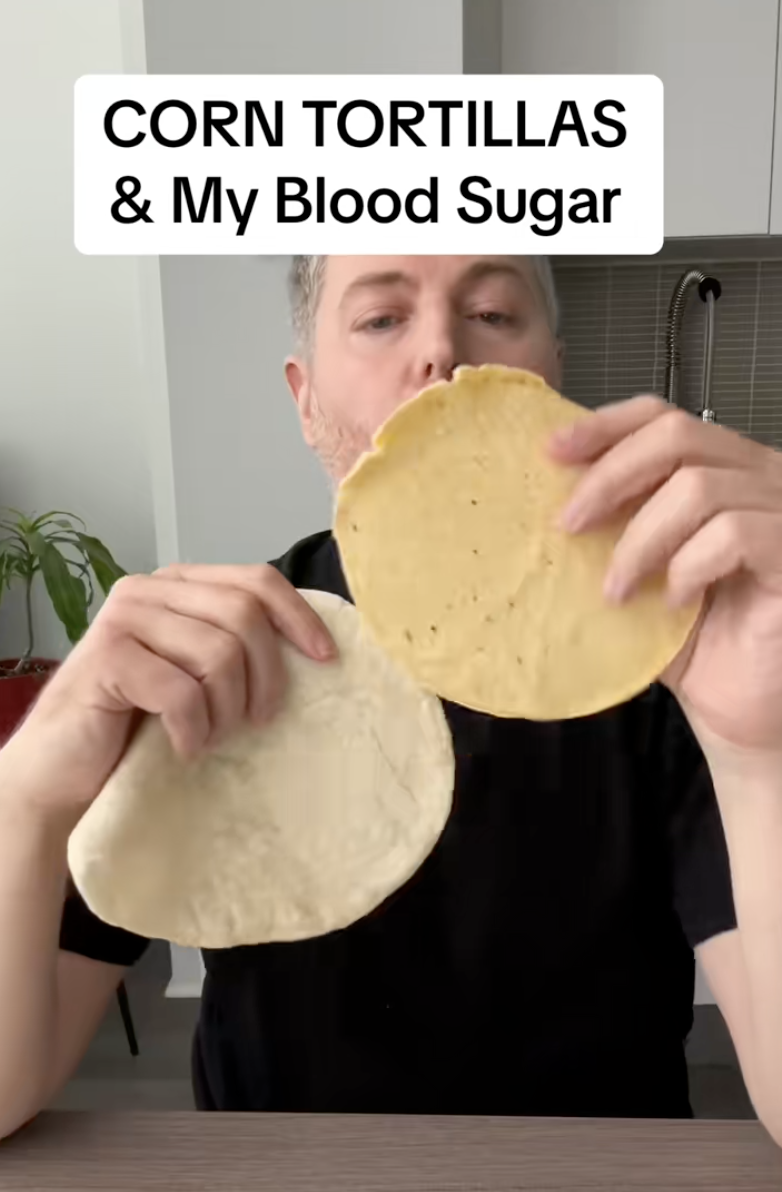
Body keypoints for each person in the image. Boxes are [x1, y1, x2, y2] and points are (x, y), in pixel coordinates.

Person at [1, 254, 782, 1143]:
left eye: (491, 312)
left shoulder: (671, 668)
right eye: (380, 319)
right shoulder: (206, 660)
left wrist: (764, 751)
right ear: (306, 399)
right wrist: (25, 791)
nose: (442, 350)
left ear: (550, 376)